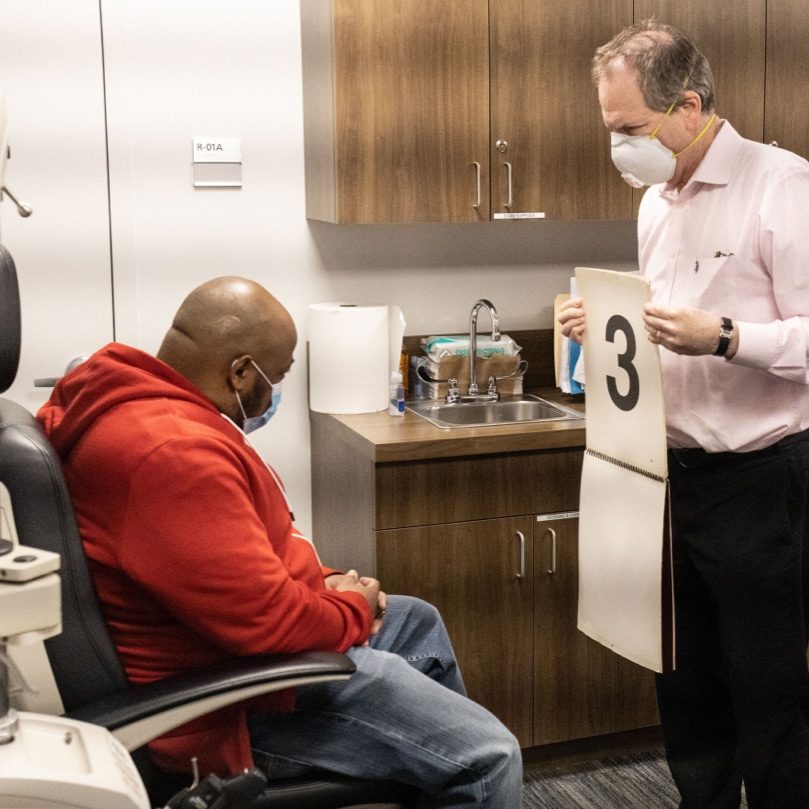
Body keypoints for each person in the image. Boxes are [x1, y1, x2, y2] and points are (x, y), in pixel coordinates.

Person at [37, 276, 522, 808]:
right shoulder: (170, 453)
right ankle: (451, 767)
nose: (275, 393)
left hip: (226, 653)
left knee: (414, 621)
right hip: (234, 703)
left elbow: (232, 564)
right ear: (241, 371)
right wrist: (350, 609)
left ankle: (427, 764)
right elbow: (269, 625)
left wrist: (323, 581)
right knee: (489, 757)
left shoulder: (149, 405)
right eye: (278, 376)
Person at [559, 19, 809, 809]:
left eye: (629, 128)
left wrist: (728, 337)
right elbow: (658, 329)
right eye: (610, 130)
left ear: (688, 107)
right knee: (684, 676)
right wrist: (600, 322)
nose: (619, 147)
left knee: (767, 685)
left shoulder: (782, 186)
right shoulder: (655, 203)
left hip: (762, 481)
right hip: (670, 477)